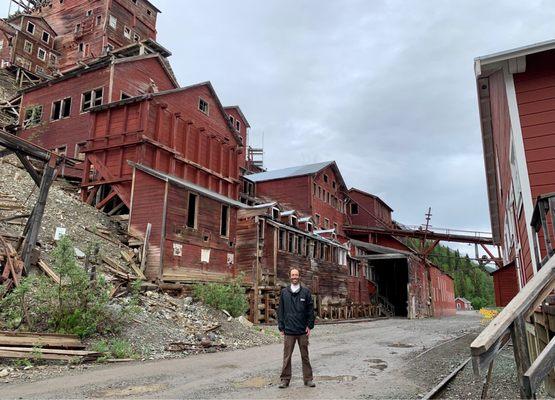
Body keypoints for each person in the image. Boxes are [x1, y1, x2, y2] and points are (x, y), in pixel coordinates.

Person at [277, 268, 315, 388]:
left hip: (302, 330)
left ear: (299, 276)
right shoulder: (284, 292)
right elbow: (280, 311)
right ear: (290, 276)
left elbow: (310, 310)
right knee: (287, 356)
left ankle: (308, 379)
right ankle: (285, 379)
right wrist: (281, 326)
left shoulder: (306, 292)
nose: (294, 277)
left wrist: (310, 325)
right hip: (288, 330)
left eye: (296, 275)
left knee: (305, 356)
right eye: (292, 275)